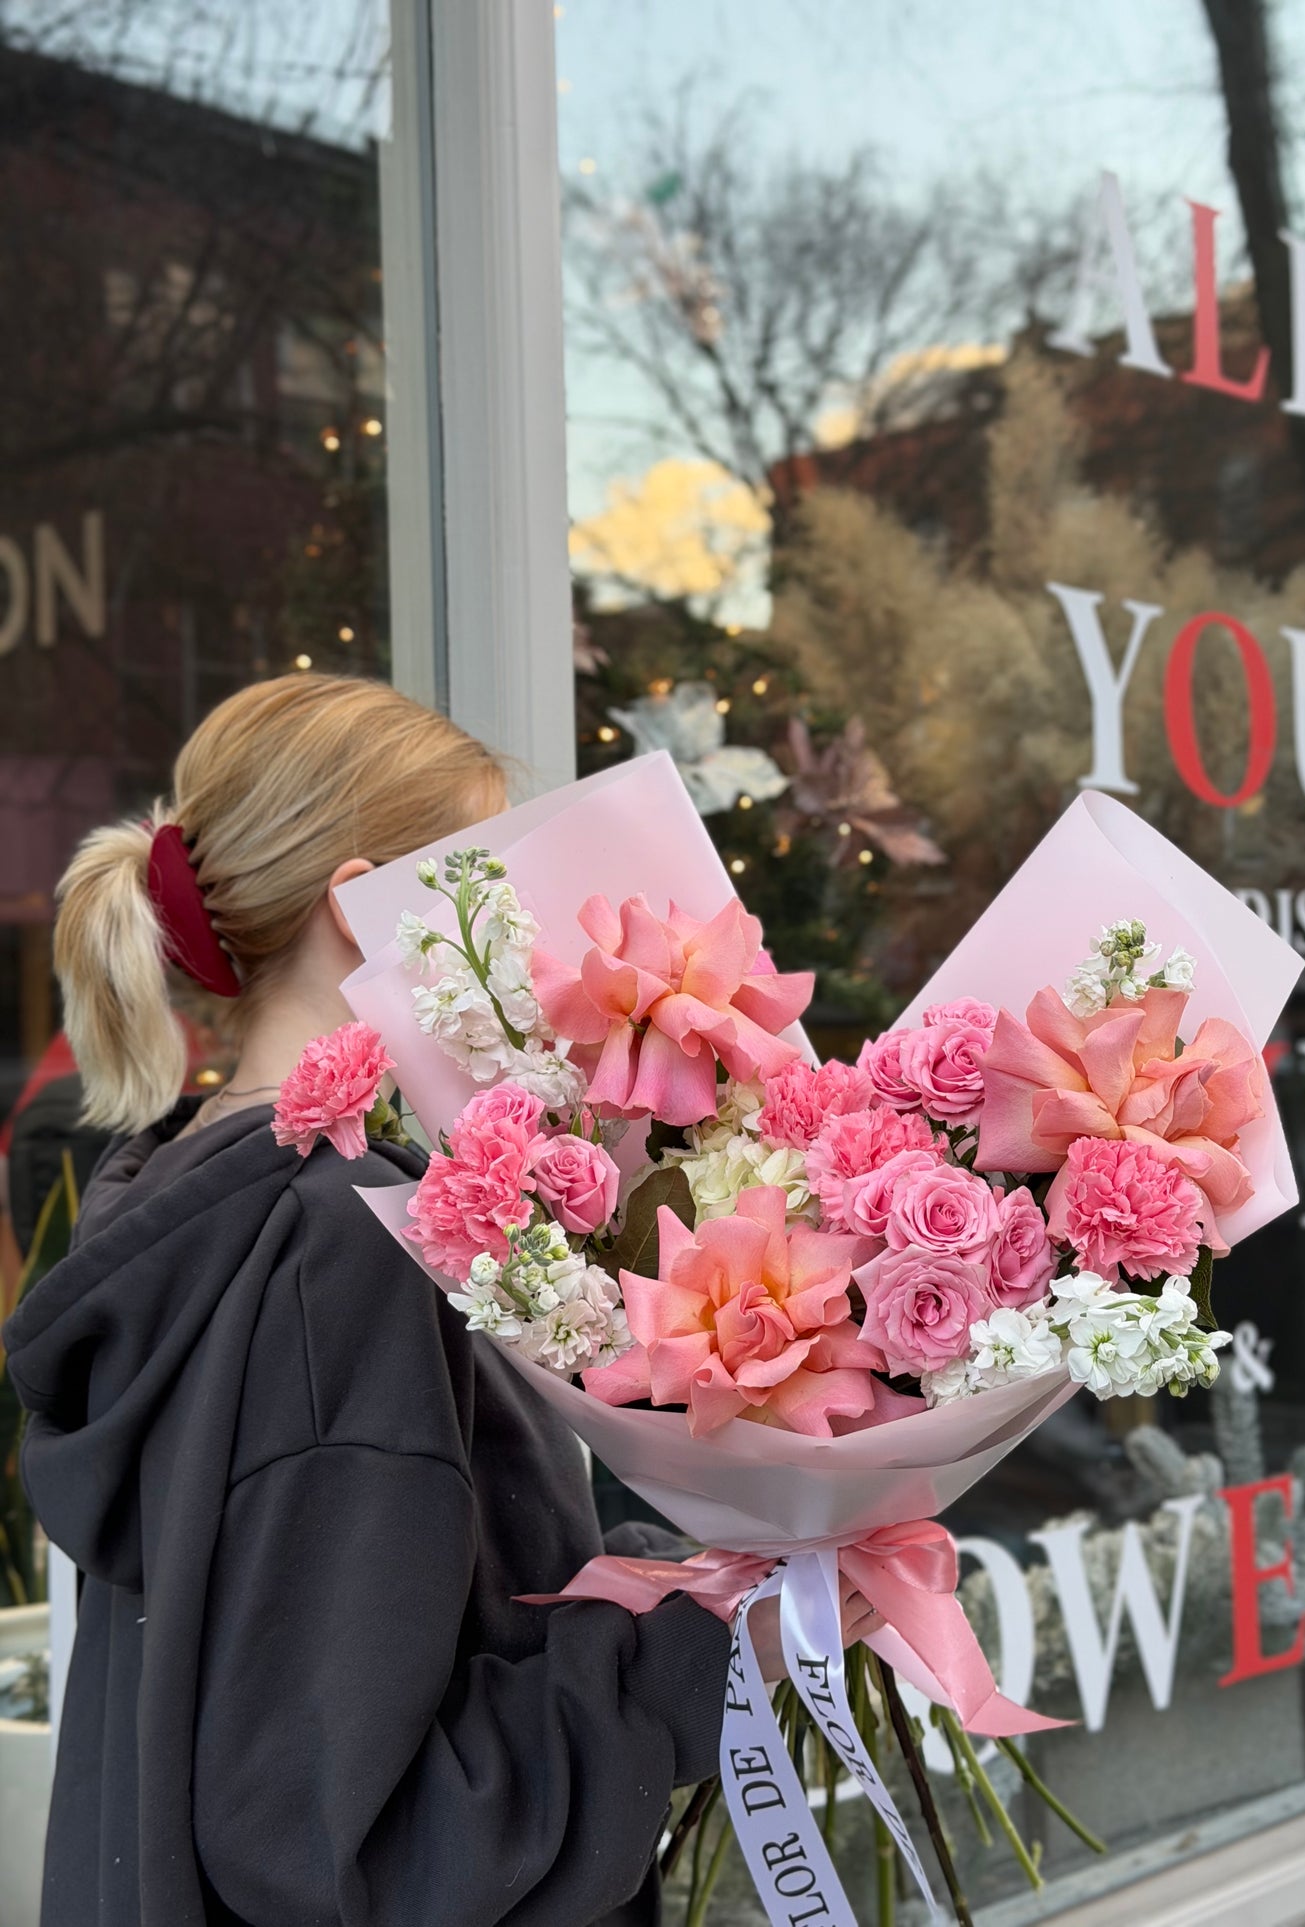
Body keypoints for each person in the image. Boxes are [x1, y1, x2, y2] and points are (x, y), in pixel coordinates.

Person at [3, 674, 877, 1927]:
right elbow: (341, 1838)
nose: (531, 948)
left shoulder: (194, 1193)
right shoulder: (332, 1244)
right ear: (368, 909)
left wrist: (666, 1582)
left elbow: (326, 1659)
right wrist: (697, 1657)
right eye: (495, 889)